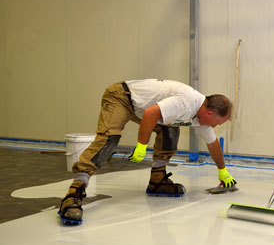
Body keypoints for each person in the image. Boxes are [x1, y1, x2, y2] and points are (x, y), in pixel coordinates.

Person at [59, 79, 236, 224]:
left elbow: (213, 144)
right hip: (121, 96)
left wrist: (223, 171)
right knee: (109, 139)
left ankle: (157, 180)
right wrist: (141, 145)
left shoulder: (202, 118)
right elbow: (151, 114)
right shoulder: (187, 102)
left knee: (170, 130)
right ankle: (75, 191)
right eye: (216, 123)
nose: (214, 127)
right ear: (210, 112)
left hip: (140, 106)